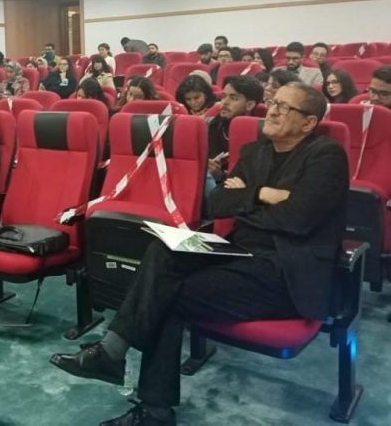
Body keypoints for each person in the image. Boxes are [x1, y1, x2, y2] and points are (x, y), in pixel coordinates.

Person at [52, 83, 347, 426]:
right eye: (273, 102)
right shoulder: (255, 152)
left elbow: (298, 219)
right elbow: (217, 202)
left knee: (167, 295)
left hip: (285, 270)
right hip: (239, 251)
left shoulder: (326, 156)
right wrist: (264, 195)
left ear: (309, 122)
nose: (273, 110)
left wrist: (246, 199)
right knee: (164, 247)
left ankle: (141, 393)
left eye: (285, 107)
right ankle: (114, 356)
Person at [207, 76, 264, 191]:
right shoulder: (214, 125)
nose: (224, 102)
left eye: (233, 98)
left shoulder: (260, 133)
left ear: (249, 105)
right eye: (223, 96)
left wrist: (221, 175)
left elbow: (253, 180)